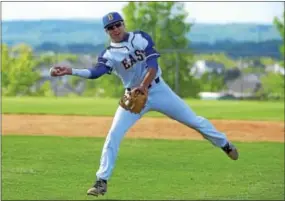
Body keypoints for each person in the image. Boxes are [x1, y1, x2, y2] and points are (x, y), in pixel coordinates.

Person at [50, 12, 239, 197]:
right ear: (106, 32)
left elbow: (153, 65)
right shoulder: (109, 54)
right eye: (110, 28)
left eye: (117, 25)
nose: (115, 29)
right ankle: (101, 181)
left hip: (158, 90)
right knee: (113, 135)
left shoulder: (140, 37)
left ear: (123, 24)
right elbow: (96, 72)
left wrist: (144, 86)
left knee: (193, 120)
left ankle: (224, 144)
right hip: (133, 97)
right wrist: (70, 70)